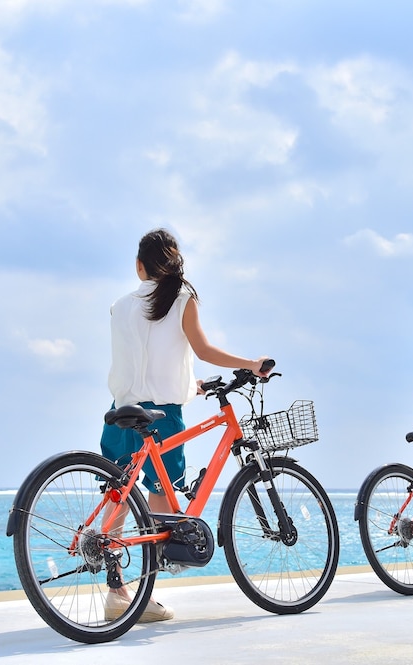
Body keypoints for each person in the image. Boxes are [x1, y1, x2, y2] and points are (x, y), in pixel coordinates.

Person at [101, 228, 271, 622]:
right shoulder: (181, 299)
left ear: (139, 266)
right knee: (160, 500)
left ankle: (116, 590)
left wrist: (188, 384)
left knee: (119, 493)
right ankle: (144, 594)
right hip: (162, 415)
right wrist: (251, 364)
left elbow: (140, 361)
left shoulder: (119, 306)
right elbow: (203, 350)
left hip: (122, 409)